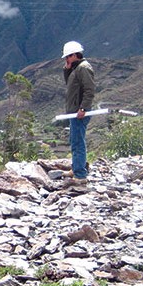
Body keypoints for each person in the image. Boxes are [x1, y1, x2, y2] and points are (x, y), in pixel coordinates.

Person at [61, 41, 95, 182]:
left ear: (75, 55)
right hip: (74, 111)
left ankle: (80, 175)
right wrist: (67, 69)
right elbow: (70, 85)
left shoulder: (83, 68)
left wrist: (83, 108)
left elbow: (89, 90)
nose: (66, 59)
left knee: (78, 142)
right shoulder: (76, 68)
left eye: (68, 57)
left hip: (79, 112)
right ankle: (77, 168)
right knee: (75, 141)